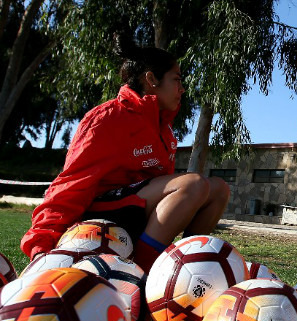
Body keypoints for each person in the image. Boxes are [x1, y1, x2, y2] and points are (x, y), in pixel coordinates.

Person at [20, 34, 231, 272]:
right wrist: (40, 246)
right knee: (193, 184)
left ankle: (185, 269)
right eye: (176, 79)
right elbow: (71, 184)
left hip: (132, 212)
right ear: (151, 79)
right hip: (100, 214)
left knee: (218, 189)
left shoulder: (164, 131)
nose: (182, 89)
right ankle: (140, 273)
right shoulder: (108, 119)